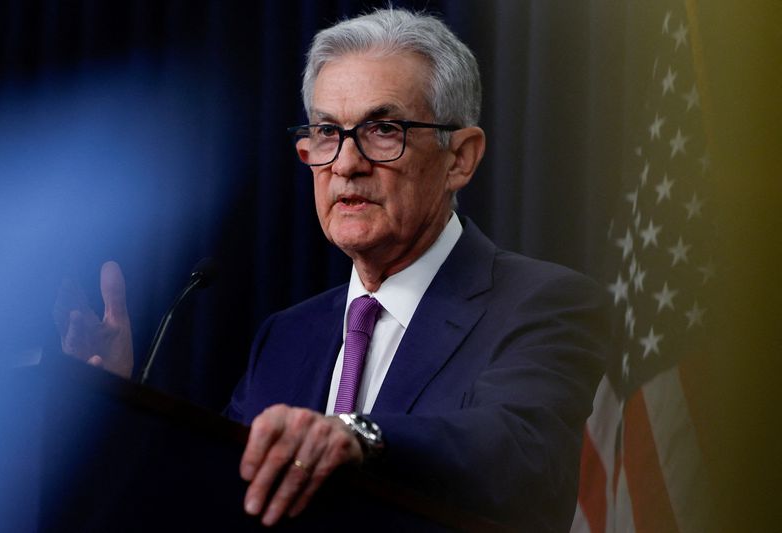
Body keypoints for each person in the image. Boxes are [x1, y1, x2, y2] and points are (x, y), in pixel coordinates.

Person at [57, 8, 609, 531]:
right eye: (326, 132)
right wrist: (114, 409)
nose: (346, 163)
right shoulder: (287, 336)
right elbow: (215, 492)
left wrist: (358, 436)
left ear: (459, 158)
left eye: (383, 129)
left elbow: (520, 457)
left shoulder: (543, 303)